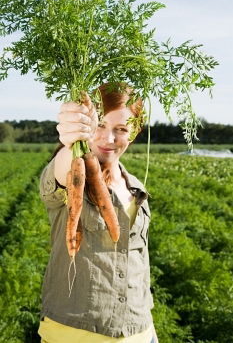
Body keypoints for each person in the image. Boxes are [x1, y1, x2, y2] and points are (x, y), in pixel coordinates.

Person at [38, 83, 159, 343]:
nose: (109, 139)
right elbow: (58, 174)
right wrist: (70, 138)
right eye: (100, 125)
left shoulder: (137, 187)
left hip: (140, 333)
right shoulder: (68, 173)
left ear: (134, 133)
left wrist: (149, 333)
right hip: (74, 336)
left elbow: (138, 265)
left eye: (121, 129)